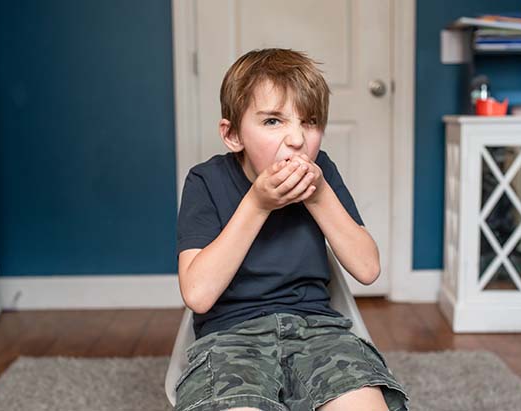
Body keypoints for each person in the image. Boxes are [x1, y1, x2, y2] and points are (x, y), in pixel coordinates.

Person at [175, 48, 409, 411]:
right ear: (233, 134)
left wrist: (319, 197)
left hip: (319, 332)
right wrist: (257, 204)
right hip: (230, 339)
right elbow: (198, 294)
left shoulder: (323, 173)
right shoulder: (206, 181)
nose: (297, 139)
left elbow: (367, 269)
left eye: (310, 121)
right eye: (273, 121)